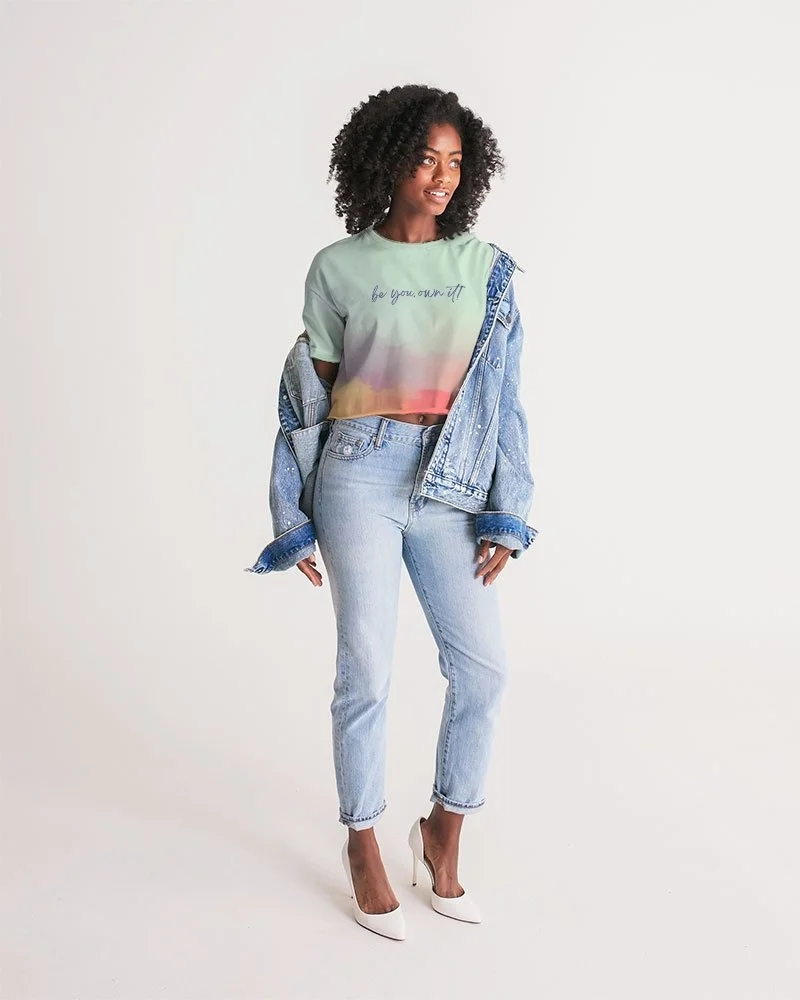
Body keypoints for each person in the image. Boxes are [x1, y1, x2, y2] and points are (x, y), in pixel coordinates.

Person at [289, 84, 537, 939]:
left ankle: (442, 833)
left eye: (456, 162)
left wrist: (508, 511)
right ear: (387, 161)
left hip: (453, 482)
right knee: (366, 669)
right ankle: (361, 840)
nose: (441, 176)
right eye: (426, 158)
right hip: (358, 472)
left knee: (483, 670)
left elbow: (504, 400)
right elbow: (307, 401)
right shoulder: (338, 266)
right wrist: (293, 511)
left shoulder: (483, 266)